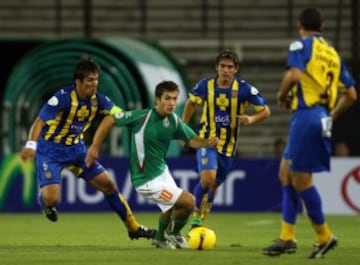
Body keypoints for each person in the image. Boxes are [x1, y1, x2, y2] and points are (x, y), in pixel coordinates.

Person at [20, 58, 156, 241]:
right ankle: (44, 203)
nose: (94, 84)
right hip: (50, 152)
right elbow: (39, 121)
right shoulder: (61, 97)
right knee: (53, 199)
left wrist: (140, 121)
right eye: (90, 80)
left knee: (108, 185)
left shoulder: (98, 100)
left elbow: (118, 113)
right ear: (78, 82)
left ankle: (134, 228)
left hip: (77, 152)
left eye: (96, 79)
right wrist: (31, 145)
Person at [262, 8, 357, 259]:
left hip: (306, 115)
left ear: (299, 24)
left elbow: (294, 74)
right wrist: (331, 115)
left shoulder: (300, 45)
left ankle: (324, 236)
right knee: (286, 173)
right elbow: (351, 94)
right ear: (322, 26)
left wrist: (281, 95)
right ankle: (287, 237)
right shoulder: (334, 54)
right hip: (320, 115)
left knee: (301, 180)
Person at [85, 80, 219, 249]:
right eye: (167, 98)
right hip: (145, 180)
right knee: (189, 201)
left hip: (162, 171)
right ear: (157, 100)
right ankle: (172, 234)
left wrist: (208, 142)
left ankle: (161, 238)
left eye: (174, 99)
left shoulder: (174, 121)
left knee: (174, 209)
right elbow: (109, 120)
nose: (171, 103)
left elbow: (191, 139)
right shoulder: (142, 117)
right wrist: (95, 147)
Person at [181, 49, 271, 228]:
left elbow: (266, 111)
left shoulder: (245, 89)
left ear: (236, 69)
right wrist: (182, 127)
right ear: (217, 67)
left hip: (229, 148)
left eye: (230, 67)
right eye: (222, 66)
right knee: (207, 179)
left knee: (214, 185)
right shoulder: (205, 86)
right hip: (207, 140)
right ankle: (197, 216)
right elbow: (191, 103)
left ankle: (201, 219)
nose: (226, 70)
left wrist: (251, 118)